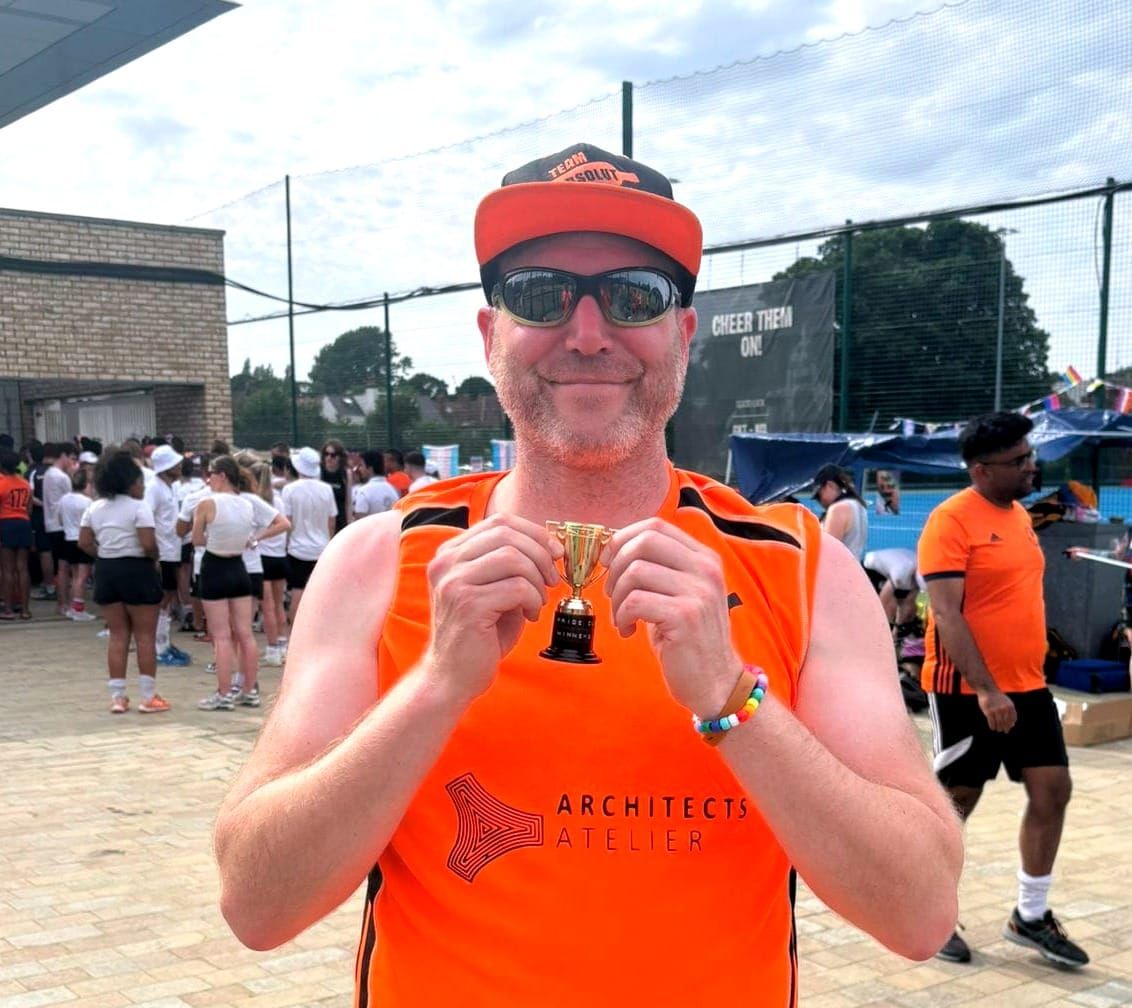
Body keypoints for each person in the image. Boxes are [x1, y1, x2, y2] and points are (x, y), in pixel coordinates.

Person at [214, 142, 961, 1004]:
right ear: (493, 335)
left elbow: (920, 913)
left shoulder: (799, 571)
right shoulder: (381, 562)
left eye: (633, 296)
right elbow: (255, 906)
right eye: (541, 294)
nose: (588, 332)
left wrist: (733, 699)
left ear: (682, 335)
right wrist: (434, 689)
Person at [918, 411, 1088, 968]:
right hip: (968, 691)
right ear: (981, 470)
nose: (1031, 466)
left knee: (1053, 790)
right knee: (955, 803)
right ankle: (929, 912)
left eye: (1029, 455)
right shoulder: (950, 522)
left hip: (1029, 687)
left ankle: (1030, 916)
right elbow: (945, 613)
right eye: (1019, 461)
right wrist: (987, 690)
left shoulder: (1017, 517)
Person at [77, 451, 169, 714]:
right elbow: (148, 543)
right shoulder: (139, 507)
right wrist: (155, 559)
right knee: (144, 636)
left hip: (107, 570)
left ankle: (118, 697)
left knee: (117, 636)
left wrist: (104, 555)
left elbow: (83, 542)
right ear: (130, 481)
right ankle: (148, 696)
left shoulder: (94, 507)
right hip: (137, 569)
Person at [192, 455, 261, 711]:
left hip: (214, 566)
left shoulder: (207, 503)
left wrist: (210, 535)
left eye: (210, 473)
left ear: (221, 475)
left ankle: (223, 693)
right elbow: (245, 539)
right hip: (239, 568)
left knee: (221, 635)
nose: (208, 478)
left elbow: (197, 539)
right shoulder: (247, 505)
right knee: (245, 633)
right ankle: (249, 689)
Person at [280, 447, 337, 625]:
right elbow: (331, 520)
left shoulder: (289, 489)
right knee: (320, 592)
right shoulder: (326, 489)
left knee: (297, 590)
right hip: (321, 547)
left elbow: (287, 521)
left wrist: (286, 544)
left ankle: (294, 634)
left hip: (298, 548)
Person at [58, 468, 96, 620]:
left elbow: (59, 518)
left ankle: (72, 606)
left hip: (68, 538)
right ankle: (78, 608)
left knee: (74, 575)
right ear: (86, 484)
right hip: (82, 538)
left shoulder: (64, 499)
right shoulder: (88, 502)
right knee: (83, 576)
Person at [0, 448, 33, 620]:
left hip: (6, 523)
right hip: (24, 523)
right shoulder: (25, 483)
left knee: (7, 570)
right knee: (22, 568)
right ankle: (25, 609)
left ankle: (8, 609)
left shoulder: (1, 483)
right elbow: (29, 508)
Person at [811, 463, 868, 561]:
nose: (820, 502)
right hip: (855, 570)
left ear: (829, 485)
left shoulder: (838, 509)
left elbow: (828, 552)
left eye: (819, 495)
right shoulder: (858, 505)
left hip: (838, 572)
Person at [862, 547, 923, 639]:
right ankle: (879, 633)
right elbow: (885, 600)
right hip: (870, 568)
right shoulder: (901, 573)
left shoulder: (921, 573)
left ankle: (898, 631)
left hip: (898, 564)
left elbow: (909, 602)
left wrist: (898, 627)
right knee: (889, 605)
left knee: (905, 603)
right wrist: (888, 630)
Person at [351, 449, 399, 520]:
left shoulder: (363, 492)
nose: (360, 469)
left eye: (362, 465)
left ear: (370, 469)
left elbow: (360, 522)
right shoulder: (393, 490)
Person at [319, 438, 353, 531]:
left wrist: (349, 522)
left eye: (333, 455)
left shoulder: (346, 474)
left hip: (340, 518)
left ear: (340, 457)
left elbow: (348, 502)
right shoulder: (319, 472)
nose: (329, 458)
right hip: (323, 519)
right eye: (326, 454)